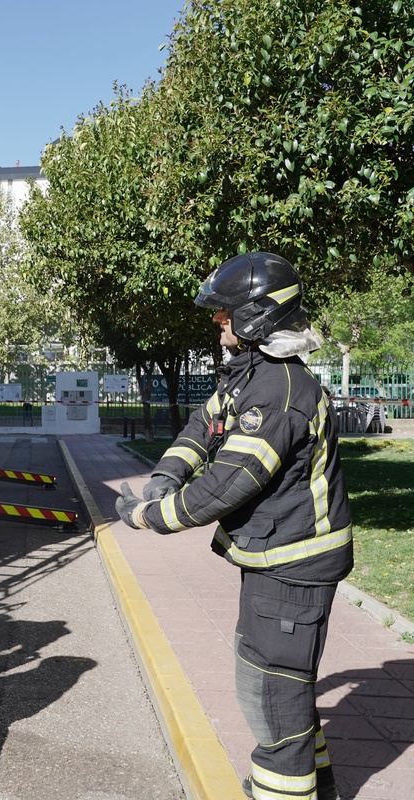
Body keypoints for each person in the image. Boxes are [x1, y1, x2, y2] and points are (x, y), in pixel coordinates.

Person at [115, 252, 352, 800]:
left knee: (272, 698)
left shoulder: (278, 393)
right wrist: (164, 474)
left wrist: (148, 515)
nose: (217, 322)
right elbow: (206, 423)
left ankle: (284, 790)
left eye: (225, 313)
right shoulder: (254, 375)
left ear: (256, 318)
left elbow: (226, 485)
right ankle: (320, 783)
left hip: (295, 566)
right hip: (277, 558)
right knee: (285, 688)